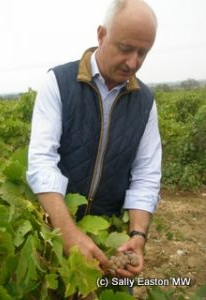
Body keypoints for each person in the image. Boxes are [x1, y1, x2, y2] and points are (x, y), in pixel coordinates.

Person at [27, 0, 161, 279]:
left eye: (143, 53)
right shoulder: (59, 83)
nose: (133, 62)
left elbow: (146, 174)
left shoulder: (145, 101)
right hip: (52, 229)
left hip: (107, 235)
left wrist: (137, 235)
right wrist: (67, 232)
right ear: (101, 35)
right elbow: (42, 161)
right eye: (125, 48)